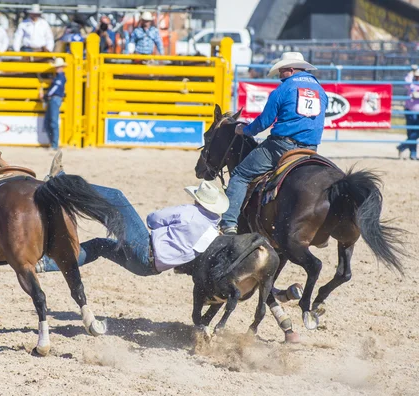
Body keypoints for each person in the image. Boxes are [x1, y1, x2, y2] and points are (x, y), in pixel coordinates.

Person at [219, 52, 328, 235]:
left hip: (282, 147)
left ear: (291, 70)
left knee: (240, 175)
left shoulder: (284, 89)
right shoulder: (320, 91)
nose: (279, 76)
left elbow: (264, 121)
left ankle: (228, 223)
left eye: (281, 71)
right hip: (310, 150)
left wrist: (244, 130)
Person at [37, 177, 229, 276]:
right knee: (98, 246)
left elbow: (152, 219)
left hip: (144, 248)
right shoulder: (212, 231)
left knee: (116, 197)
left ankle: (62, 184)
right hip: (147, 269)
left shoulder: (189, 212)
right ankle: (45, 265)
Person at [41, 58, 66, 150]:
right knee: (50, 121)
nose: (57, 69)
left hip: (54, 99)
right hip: (54, 99)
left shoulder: (60, 77)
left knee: (53, 122)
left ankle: (54, 144)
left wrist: (46, 95)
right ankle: (53, 143)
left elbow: (55, 88)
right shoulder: (59, 77)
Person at [397, 66, 419, 160]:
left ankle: (402, 146)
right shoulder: (412, 84)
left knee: (416, 133)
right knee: (411, 133)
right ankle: (413, 154)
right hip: (410, 111)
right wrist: (411, 72)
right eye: (417, 76)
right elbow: (406, 82)